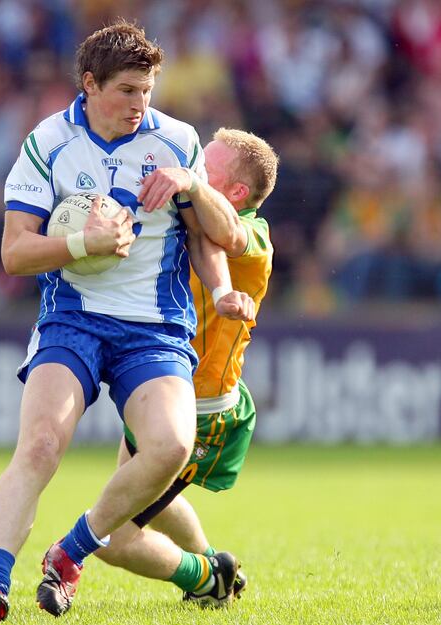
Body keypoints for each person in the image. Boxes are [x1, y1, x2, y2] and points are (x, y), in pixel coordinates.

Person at [0, 21, 255, 622]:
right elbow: (15, 253)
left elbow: (215, 239)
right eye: (126, 91)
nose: (139, 104)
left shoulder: (176, 141)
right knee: (41, 446)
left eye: (147, 90)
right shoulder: (47, 143)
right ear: (90, 85)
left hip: (154, 329)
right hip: (74, 320)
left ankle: (69, 551)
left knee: (171, 447)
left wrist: (204, 219)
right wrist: (83, 244)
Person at [95, 128, 278, 606]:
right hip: (162, 386)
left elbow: (231, 237)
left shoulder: (253, 239)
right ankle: (217, 575)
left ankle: (203, 576)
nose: (190, 170)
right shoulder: (187, 225)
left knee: (112, 538)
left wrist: (192, 185)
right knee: (155, 503)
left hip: (201, 410)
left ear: (235, 192)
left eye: (205, 169)